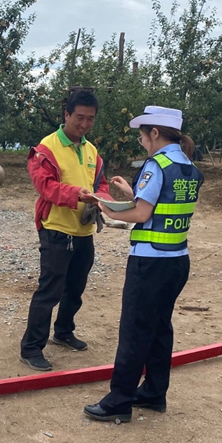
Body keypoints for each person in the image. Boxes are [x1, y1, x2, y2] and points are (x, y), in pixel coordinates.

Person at [84, 106, 203, 422]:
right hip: (177, 260)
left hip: (150, 262)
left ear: (155, 133)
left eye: (142, 136)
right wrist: (131, 191)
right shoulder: (188, 165)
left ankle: (119, 401)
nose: (142, 142)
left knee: (135, 330)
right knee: (160, 327)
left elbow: (141, 213)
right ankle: (153, 392)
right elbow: (162, 202)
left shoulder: (156, 165)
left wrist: (107, 208)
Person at [20, 90, 112, 372]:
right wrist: (76, 195)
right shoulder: (45, 149)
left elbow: (101, 183)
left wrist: (103, 198)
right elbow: (45, 186)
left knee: (76, 287)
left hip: (83, 231)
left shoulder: (91, 150)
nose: (84, 124)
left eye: (90, 119)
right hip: (57, 230)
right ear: (67, 115)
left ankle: (63, 331)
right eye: (79, 117)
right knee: (50, 290)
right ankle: (31, 348)